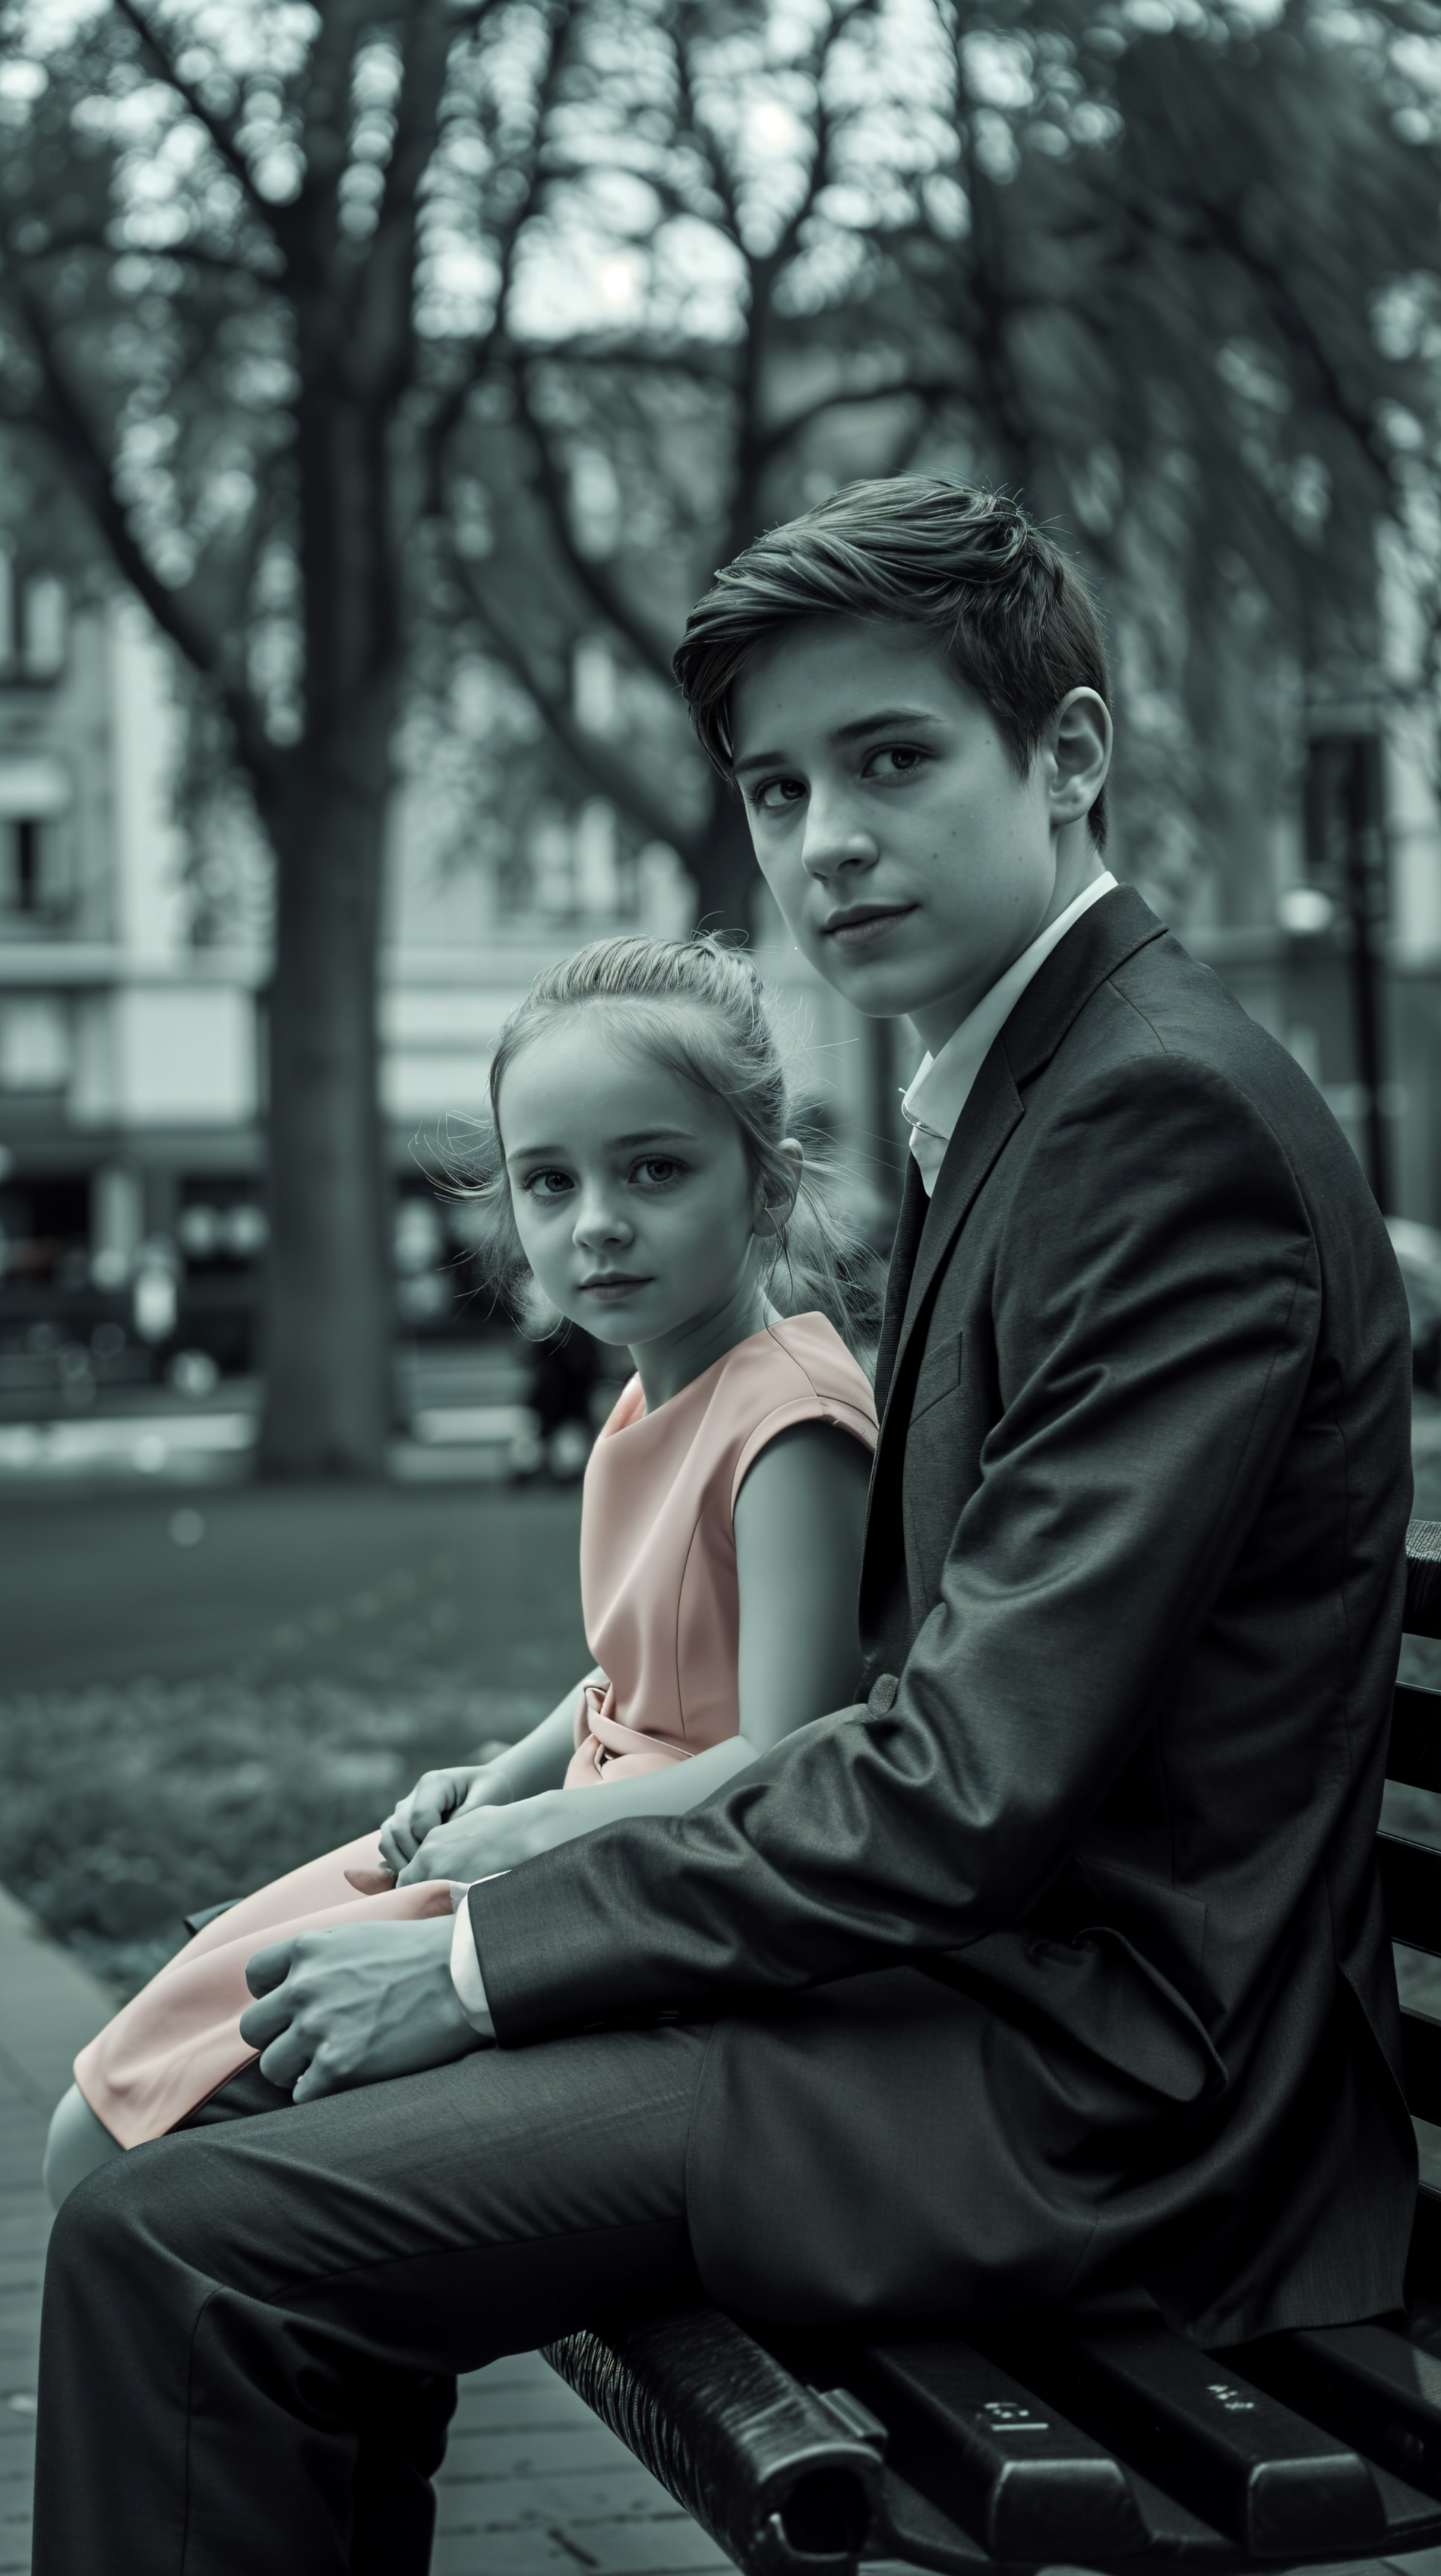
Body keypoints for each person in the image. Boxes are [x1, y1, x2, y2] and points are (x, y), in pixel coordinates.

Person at [35, 479, 1415, 2576]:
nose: (823, 842)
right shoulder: (1045, 1089)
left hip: (1089, 2097)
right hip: (960, 2007)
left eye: (890, 760)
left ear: (1068, 758)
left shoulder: (1153, 1117)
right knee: (211, 2170)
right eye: (779, 789)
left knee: (190, 2242)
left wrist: (487, 1964)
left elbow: (964, 1784)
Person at [41, 934, 878, 2193]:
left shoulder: (794, 1423)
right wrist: (501, 1774)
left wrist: (536, 1827)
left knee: (114, 2145)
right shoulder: (654, 1395)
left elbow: (793, 1762)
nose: (598, 1224)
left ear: (767, 1186)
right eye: (549, 1183)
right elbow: (630, 1675)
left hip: (644, 1892)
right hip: (561, 1835)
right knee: (142, 2051)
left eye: (654, 1169)